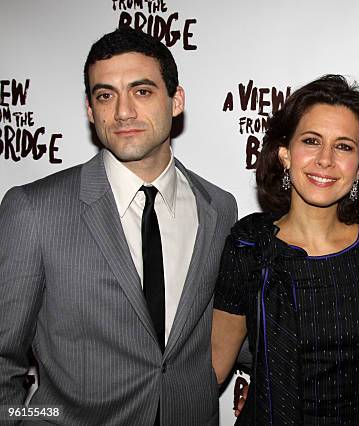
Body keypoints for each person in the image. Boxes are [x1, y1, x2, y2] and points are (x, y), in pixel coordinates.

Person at [0, 27, 237, 425]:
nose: (123, 112)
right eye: (105, 95)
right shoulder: (34, 210)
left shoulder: (219, 207)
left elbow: (226, 326)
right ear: (90, 111)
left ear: (176, 101)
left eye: (142, 91)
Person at [211, 74, 359, 425]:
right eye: (311, 141)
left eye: (344, 146)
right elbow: (213, 368)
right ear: (285, 153)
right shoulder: (249, 244)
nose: (325, 159)